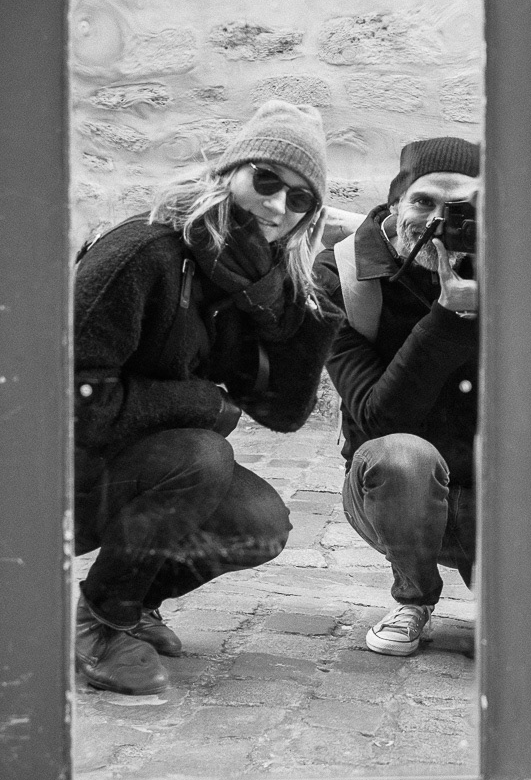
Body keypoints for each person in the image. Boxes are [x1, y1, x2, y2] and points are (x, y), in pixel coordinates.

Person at [72, 99, 340, 695]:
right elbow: (73, 398)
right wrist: (203, 405)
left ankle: (134, 600)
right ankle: (102, 622)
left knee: (260, 522)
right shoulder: (144, 252)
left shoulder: (249, 275)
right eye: (266, 180)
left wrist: (312, 304)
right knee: (203, 456)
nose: (278, 206)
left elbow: (282, 412)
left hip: (142, 461)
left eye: (300, 199)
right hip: (59, 467)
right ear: (229, 172)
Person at [316, 137, 531, 675]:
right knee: (403, 456)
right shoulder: (345, 277)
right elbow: (379, 420)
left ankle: (506, 589)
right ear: (396, 202)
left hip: (495, 504)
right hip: (390, 489)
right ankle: (414, 595)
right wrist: (448, 319)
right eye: (423, 202)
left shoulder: (519, 277)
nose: (438, 221)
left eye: (461, 209)